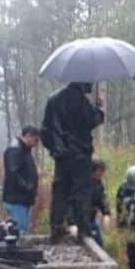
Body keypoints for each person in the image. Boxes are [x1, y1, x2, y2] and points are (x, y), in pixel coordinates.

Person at [40, 82, 104, 243]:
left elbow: (45, 130)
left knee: (60, 191)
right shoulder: (82, 101)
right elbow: (94, 120)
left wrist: (55, 150)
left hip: (62, 157)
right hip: (80, 155)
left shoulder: (53, 99)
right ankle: (83, 230)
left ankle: (56, 229)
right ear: (82, 82)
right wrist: (98, 108)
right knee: (81, 192)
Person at [1, 125, 40, 234]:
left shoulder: (24, 150)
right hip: (17, 199)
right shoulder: (15, 150)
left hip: (22, 198)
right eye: (35, 140)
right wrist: (27, 187)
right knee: (20, 230)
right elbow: (13, 174)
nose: (37, 143)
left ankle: (11, 248)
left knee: (18, 228)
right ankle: (15, 249)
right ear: (28, 136)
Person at [88, 159, 111, 246]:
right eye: (100, 171)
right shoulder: (82, 184)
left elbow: (102, 198)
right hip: (81, 220)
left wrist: (106, 213)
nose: (102, 173)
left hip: (92, 219)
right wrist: (71, 222)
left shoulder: (98, 183)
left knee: (99, 244)